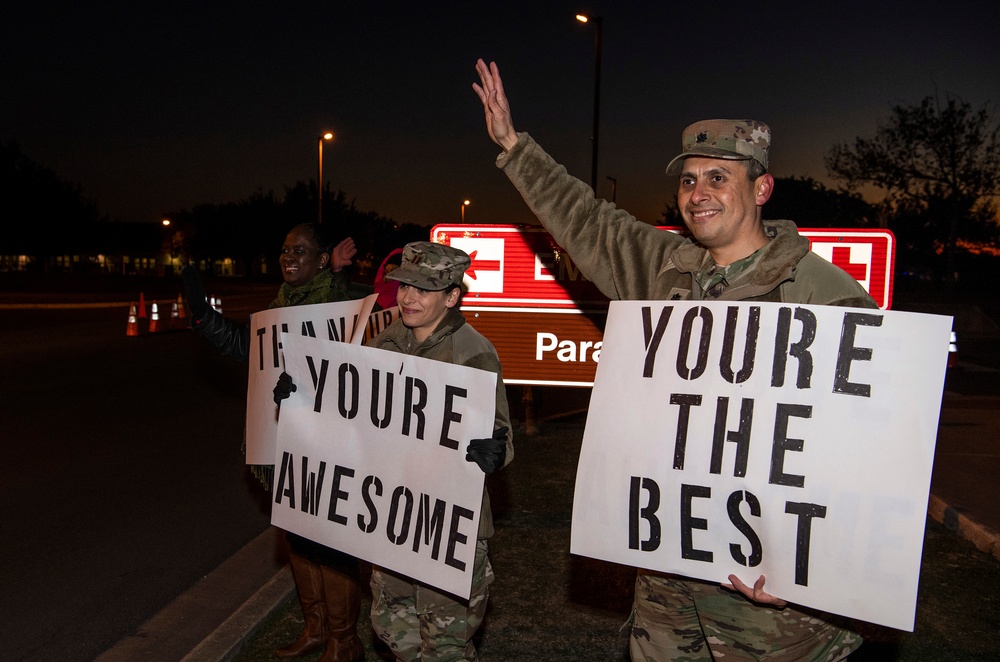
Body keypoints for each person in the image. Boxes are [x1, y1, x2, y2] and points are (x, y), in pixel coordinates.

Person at [473, 59, 875, 661]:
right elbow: (587, 219)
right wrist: (513, 146)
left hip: (770, 600)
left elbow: (871, 455)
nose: (699, 193)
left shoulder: (824, 295)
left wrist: (812, 573)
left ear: (761, 189)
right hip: (671, 577)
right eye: (688, 180)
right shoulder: (666, 271)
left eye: (718, 176)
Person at [182, 223, 366, 662]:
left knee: (331, 543)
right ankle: (317, 629)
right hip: (289, 444)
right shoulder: (281, 304)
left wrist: (338, 274)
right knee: (298, 539)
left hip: (330, 448)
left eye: (300, 250)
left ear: (321, 260)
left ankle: (345, 643)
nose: (288, 257)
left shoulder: (339, 301)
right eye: (285, 249)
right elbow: (249, 346)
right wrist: (204, 318)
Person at [365, 241, 513, 661]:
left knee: (445, 642)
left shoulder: (472, 353)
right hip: (393, 514)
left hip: (448, 523)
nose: (408, 298)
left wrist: (493, 452)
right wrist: (302, 398)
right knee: (394, 629)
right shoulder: (382, 345)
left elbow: (502, 436)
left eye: (423, 289)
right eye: (404, 286)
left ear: (451, 297)